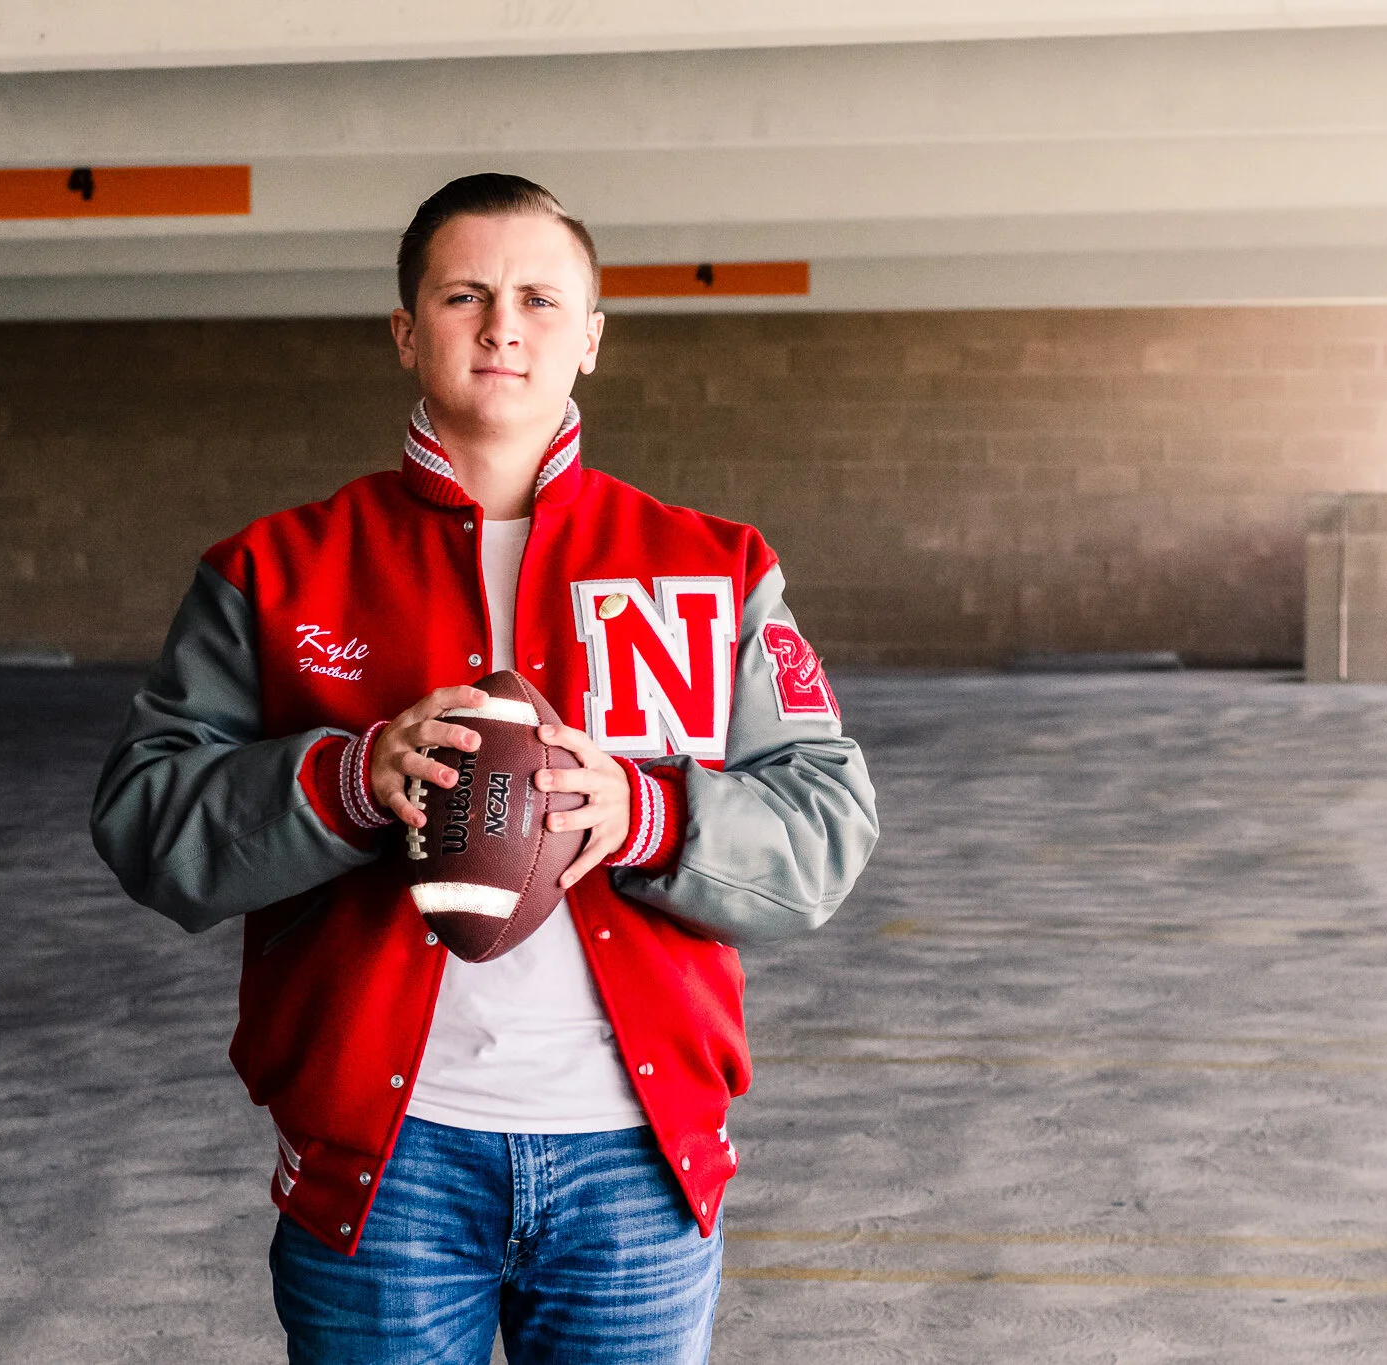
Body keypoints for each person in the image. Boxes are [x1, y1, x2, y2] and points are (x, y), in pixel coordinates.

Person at [91, 173, 878, 1364]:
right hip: (385, 1167)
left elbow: (826, 824)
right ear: (407, 331)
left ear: (591, 339)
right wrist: (347, 782)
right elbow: (146, 819)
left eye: (538, 298)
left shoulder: (711, 568)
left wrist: (647, 813)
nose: (502, 325)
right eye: (463, 295)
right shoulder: (275, 570)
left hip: (635, 1164)